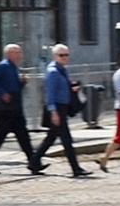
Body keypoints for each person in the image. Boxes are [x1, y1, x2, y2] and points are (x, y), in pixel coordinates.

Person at [0, 42, 45, 174]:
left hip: (15, 107)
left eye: (19, 53)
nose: (19, 55)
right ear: (9, 54)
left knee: (24, 137)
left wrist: (22, 83)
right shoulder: (3, 66)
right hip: (6, 109)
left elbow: (15, 88)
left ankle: (34, 163)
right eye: (17, 53)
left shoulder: (14, 67)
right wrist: (2, 93)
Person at [32, 43, 91, 177]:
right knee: (66, 139)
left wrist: (72, 88)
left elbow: (61, 88)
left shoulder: (62, 70)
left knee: (51, 137)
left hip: (62, 106)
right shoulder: (53, 71)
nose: (64, 57)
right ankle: (76, 168)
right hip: (57, 108)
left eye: (66, 55)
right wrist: (53, 112)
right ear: (54, 56)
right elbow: (49, 94)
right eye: (61, 55)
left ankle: (34, 161)